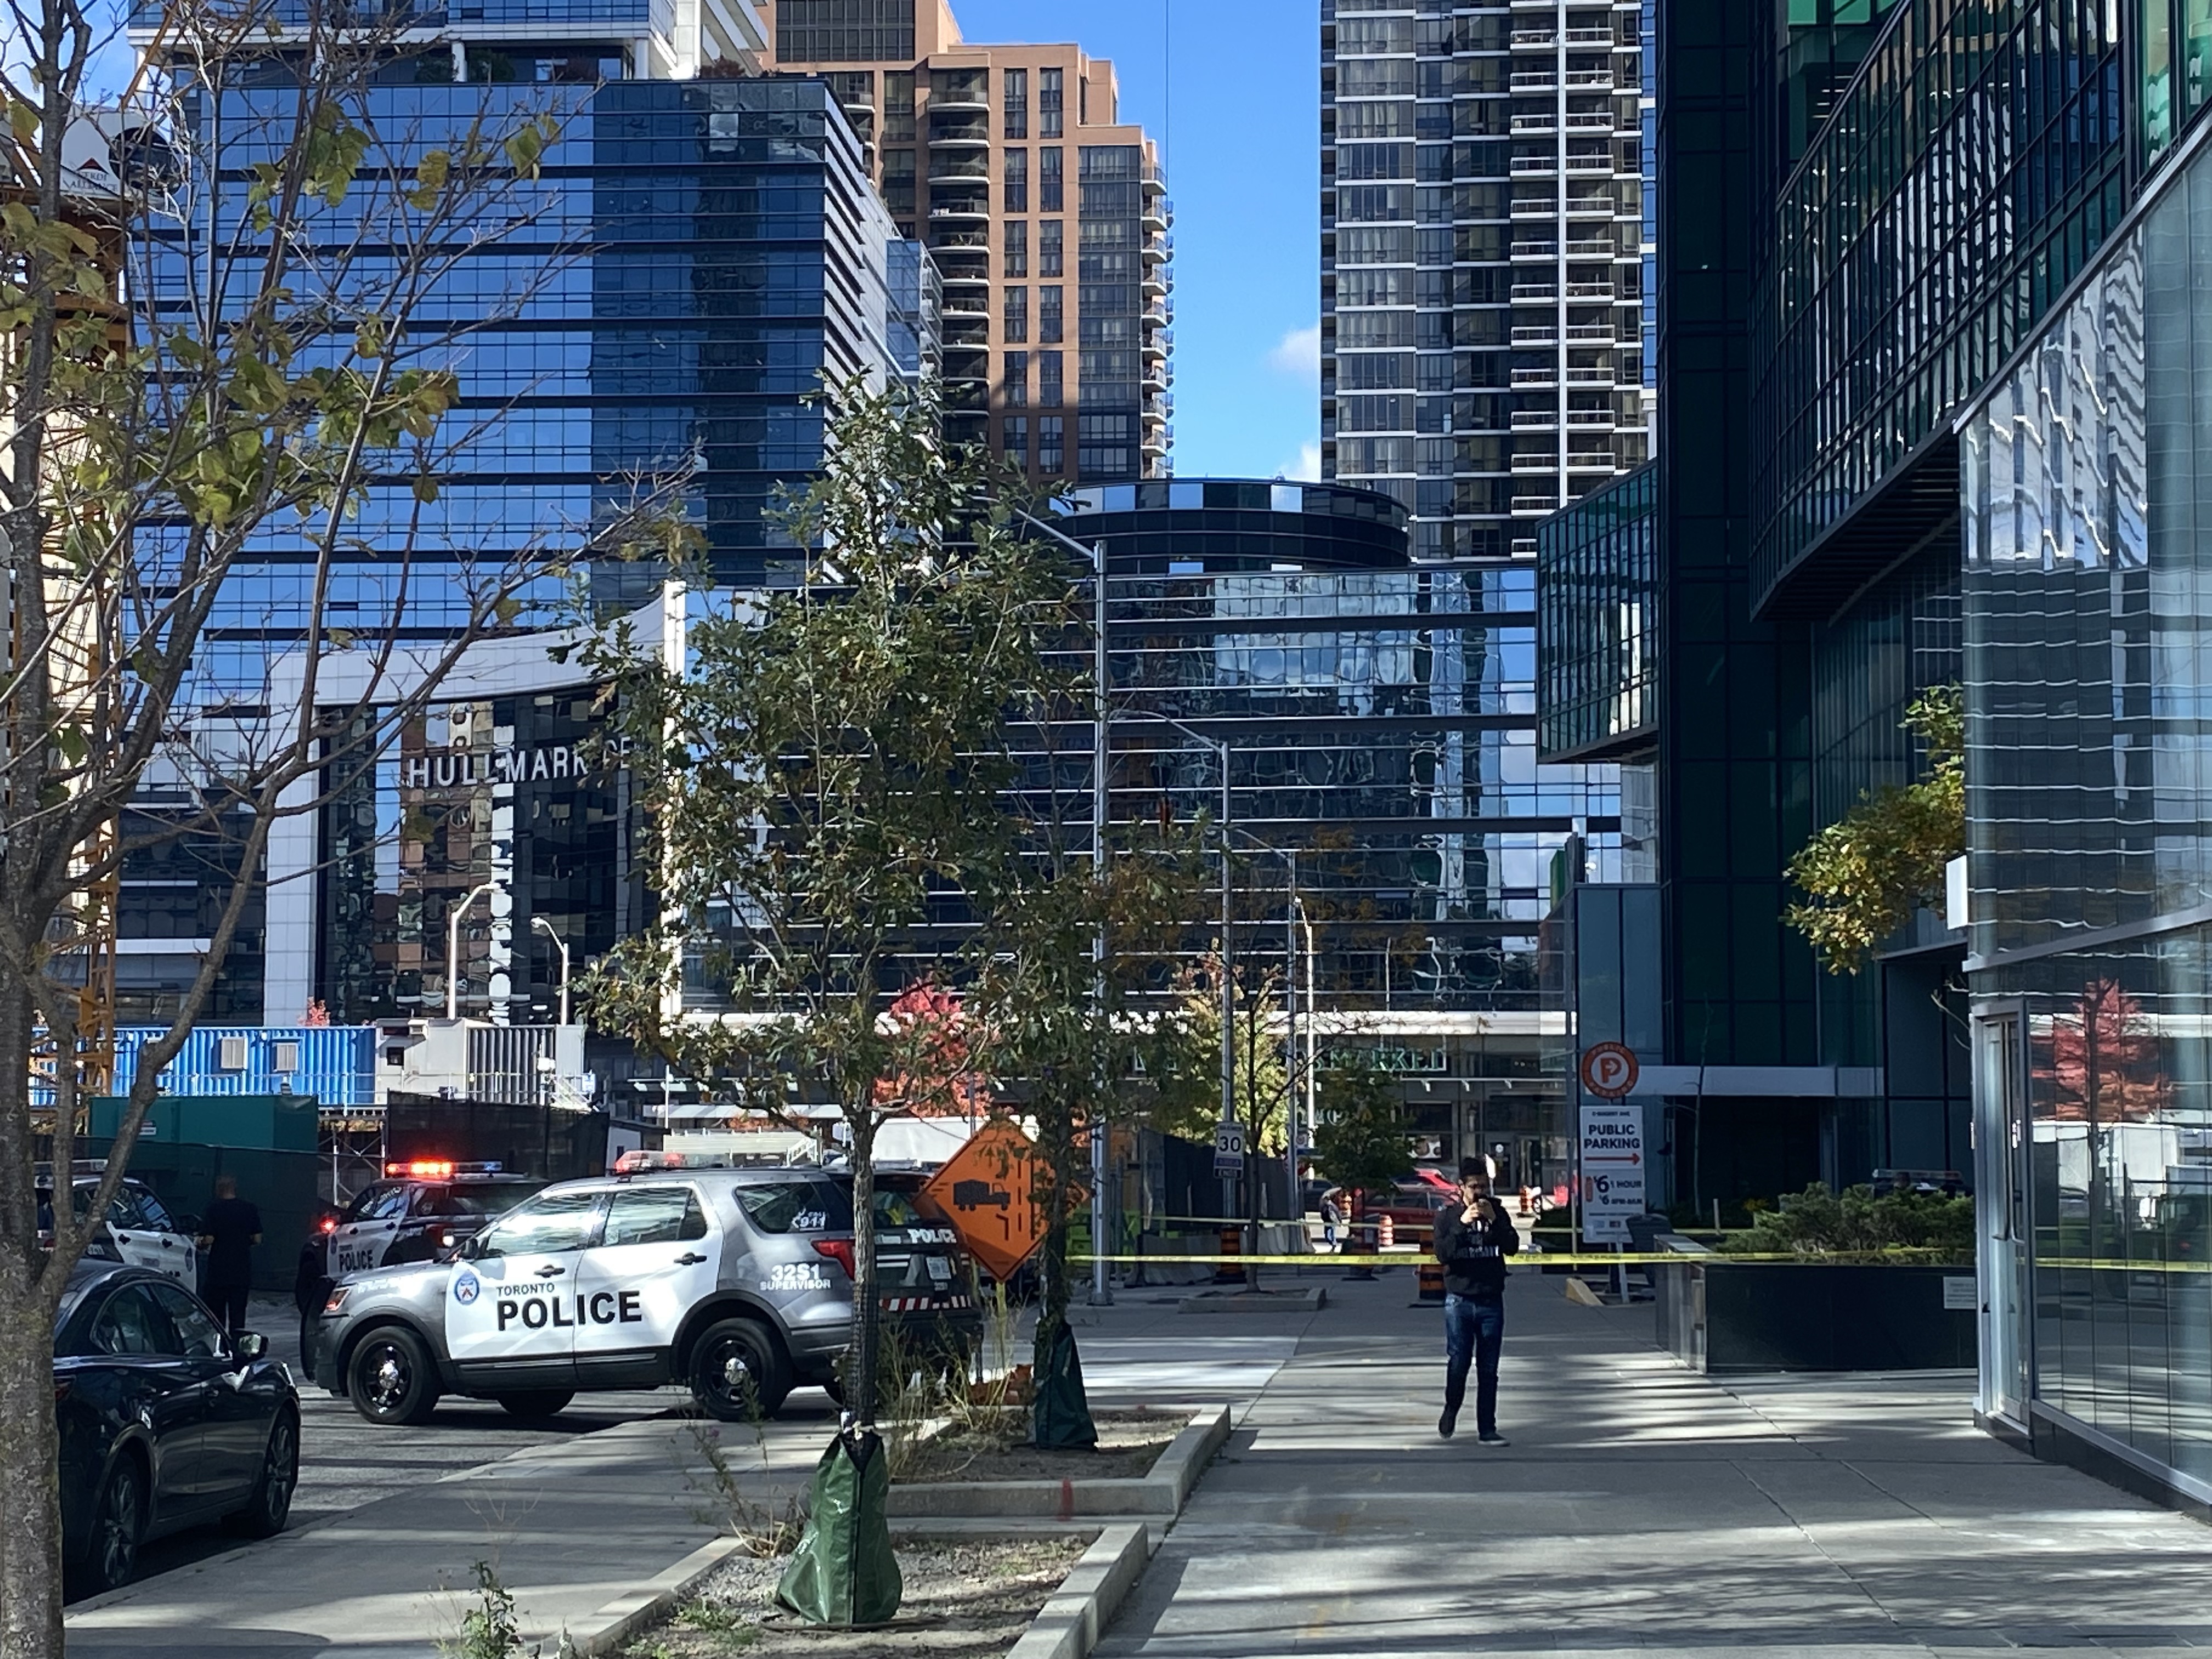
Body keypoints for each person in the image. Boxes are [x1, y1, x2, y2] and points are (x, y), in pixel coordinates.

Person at [1431, 1156, 1519, 1445]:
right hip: (1460, 1301)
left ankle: (1487, 1429)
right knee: (1458, 1362)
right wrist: (1461, 1224)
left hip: (1491, 1300)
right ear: (1461, 1187)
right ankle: (1451, 1408)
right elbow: (1443, 1254)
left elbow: (1513, 1247)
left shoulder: (1498, 1212)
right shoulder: (1447, 1217)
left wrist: (1494, 1222)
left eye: (1484, 1186)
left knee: (1489, 1369)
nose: (1480, 1193)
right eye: (1474, 1187)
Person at [196, 1175, 263, 1340]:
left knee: (217, 1314)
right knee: (238, 1315)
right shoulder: (249, 1209)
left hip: (218, 1270)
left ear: (219, 1189)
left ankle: (220, 1346)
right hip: (241, 1269)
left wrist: (201, 1242)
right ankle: (237, 1346)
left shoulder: (213, 1209)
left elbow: (210, 1239)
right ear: (235, 1188)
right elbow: (257, 1239)